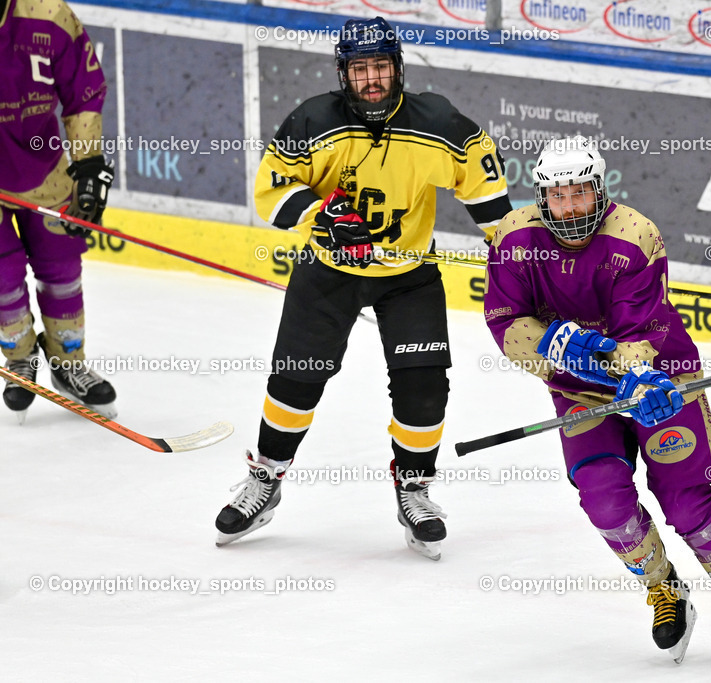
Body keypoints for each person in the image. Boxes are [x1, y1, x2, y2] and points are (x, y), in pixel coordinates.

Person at [482, 136, 711, 668]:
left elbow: (639, 330)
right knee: (604, 500)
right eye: (558, 196)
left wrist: (638, 379)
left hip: (660, 375)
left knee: (685, 499)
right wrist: (563, 349)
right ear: (542, 196)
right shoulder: (513, 241)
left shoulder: (634, 235)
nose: (571, 206)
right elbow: (505, 323)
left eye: (581, 192)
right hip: (577, 388)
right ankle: (664, 589)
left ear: (599, 188)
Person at [215, 16, 512, 559]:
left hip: (408, 277)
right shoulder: (312, 120)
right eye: (359, 69)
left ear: (397, 68)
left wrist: (515, 256)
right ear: (343, 73)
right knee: (295, 380)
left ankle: (414, 488)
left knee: (424, 388)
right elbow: (271, 191)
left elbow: (488, 195)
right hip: (329, 270)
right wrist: (323, 213)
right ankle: (267, 478)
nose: (371, 78)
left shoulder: (439, 122)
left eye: (380, 66)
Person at [0, 0, 117, 423]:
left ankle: (68, 361)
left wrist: (87, 165)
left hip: (44, 170)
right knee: (0, 277)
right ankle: (19, 356)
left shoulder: (48, 15)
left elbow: (83, 91)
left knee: (62, 269)